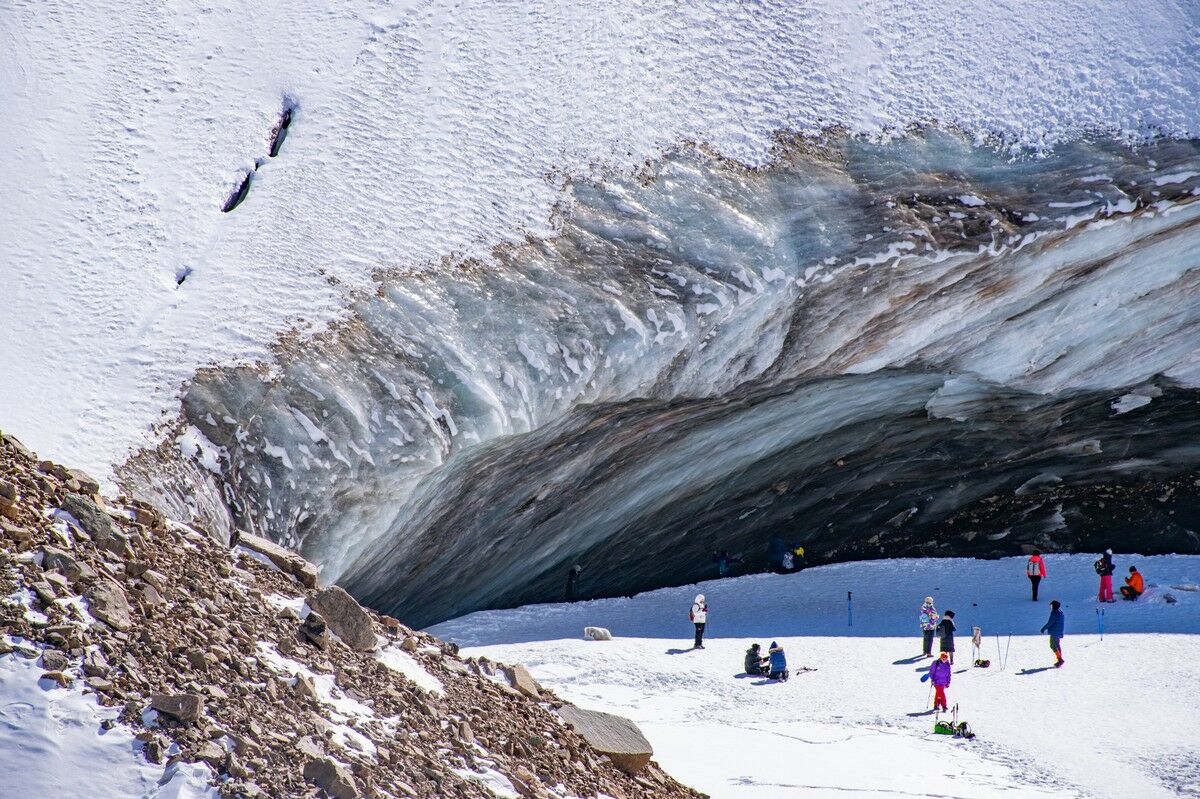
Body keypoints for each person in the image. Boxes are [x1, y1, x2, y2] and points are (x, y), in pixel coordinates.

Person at [1040, 599, 1065, 667]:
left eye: (1051, 606)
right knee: (1057, 645)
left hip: (1054, 632)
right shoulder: (1060, 612)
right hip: (1058, 631)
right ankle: (1059, 659)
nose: (1050, 607)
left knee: (1053, 645)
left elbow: (1050, 623)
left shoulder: (1054, 613)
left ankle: (1060, 659)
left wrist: (1043, 628)